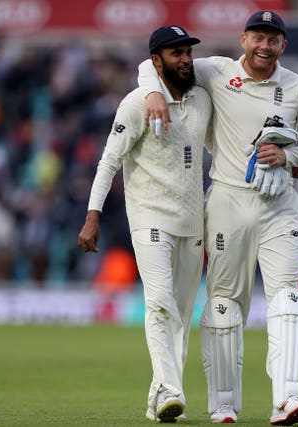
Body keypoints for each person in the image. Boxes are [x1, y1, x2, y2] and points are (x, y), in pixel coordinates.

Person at [138, 10, 298, 425]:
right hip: (227, 201)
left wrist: (288, 155)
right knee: (225, 305)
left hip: (279, 204)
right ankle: (223, 405)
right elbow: (156, 61)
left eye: (273, 39)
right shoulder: (215, 71)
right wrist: (152, 91)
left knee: (288, 297)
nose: (264, 46)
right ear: (243, 39)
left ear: (283, 45)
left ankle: (288, 399)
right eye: (257, 37)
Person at [77, 25, 212, 423]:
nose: (186, 59)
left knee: (183, 317)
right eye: (176, 54)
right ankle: (172, 390)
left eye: (188, 52)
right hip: (149, 217)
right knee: (158, 304)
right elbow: (108, 162)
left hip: (192, 222)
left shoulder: (202, 100)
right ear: (156, 62)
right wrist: (92, 216)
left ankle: (159, 397)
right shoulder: (136, 104)